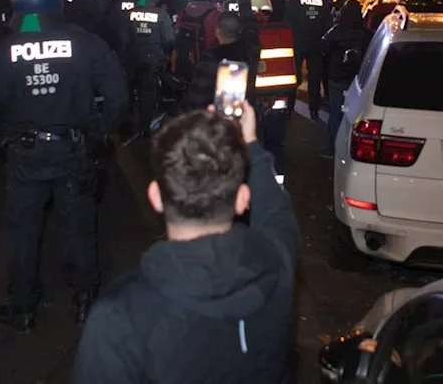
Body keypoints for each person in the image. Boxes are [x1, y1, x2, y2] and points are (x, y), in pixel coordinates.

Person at [71, 107, 299, 383]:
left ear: (155, 197)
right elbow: (277, 213)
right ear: (242, 199)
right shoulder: (277, 263)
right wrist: (249, 142)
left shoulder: (117, 317)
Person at [0, 0, 128, 332]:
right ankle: (85, 302)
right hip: (74, 150)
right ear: (59, 0)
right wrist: (98, 133)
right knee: (79, 228)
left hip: (25, 155)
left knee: (23, 231)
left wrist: (4, 139)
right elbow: (118, 96)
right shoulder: (86, 43)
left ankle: (23, 308)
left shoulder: (1, 51)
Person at [124, 0, 175, 136]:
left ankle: (126, 124)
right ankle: (144, 129)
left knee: (129, 91)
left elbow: (123, 36)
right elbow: (169, 40)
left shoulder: (130, 13)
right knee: (147, 94)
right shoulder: (161, 14)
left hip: (131, 58)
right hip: (152, 60)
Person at [322, 0, 371, 154]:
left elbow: (324, 49)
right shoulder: (367, 34)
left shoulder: (335, 31)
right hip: (358, 81)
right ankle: (352, 147)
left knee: (336, 112)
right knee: (357, 114)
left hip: (337, 78)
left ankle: (333, 148)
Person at [284, 0, 330, 119]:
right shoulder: (324, 2)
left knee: (292, 77)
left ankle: (289, 107)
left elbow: (287, 25)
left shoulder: (292, 2)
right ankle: (314, 110)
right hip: (316, 46)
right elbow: (327, 26)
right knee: (314, 78)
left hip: (296, 44)